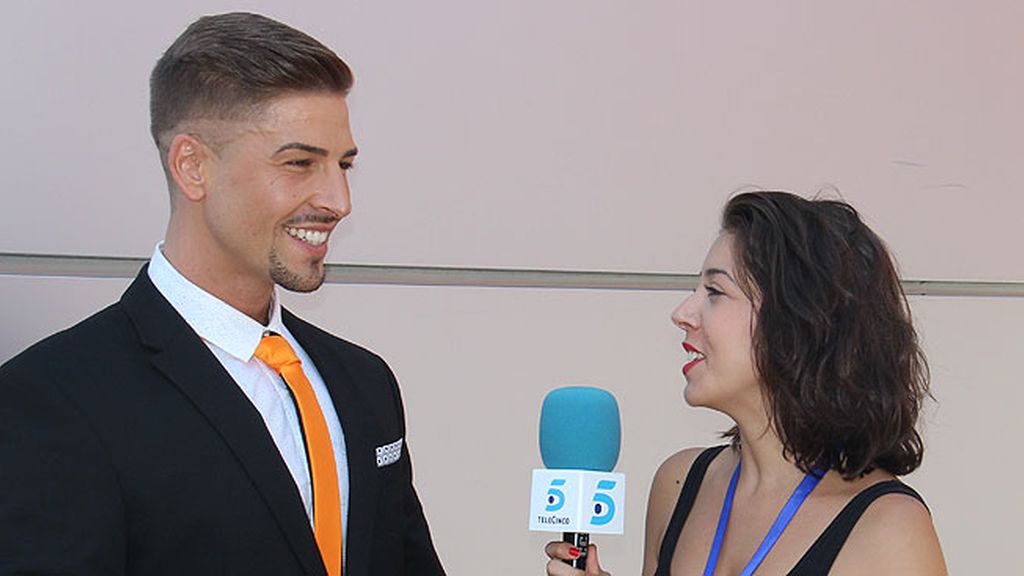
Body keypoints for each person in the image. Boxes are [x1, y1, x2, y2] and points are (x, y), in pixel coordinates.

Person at [0, 12, 445, 576]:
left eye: (344, 164)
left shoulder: (363, 382)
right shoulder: (52, 400)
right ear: (192, 167)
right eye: (300, 163)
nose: (339, 200)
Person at [545, 191, 947, 575]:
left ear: (797, 322)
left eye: (714, 291)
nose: (682, 314)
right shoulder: (679, 483)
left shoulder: (889, 529)